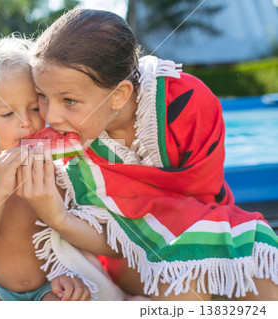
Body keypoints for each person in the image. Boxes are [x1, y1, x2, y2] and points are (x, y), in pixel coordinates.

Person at [16, 8, 278, 301]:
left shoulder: (187, 103)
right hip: (128, 255)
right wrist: (56, 216)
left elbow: (204, 198)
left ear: (119, 95)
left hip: (209, 226)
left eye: (69, 100)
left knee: (268, 285)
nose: (51, 116)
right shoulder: (70, 148)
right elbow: (116, 244)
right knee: (186, 291)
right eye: (42, 95)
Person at [0, 35, 91, 301]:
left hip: (52, 283)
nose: (26, 123)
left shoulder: (60, 164)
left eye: (35, 108)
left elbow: (79, 227)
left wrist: (70, 271)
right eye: (7, 114)